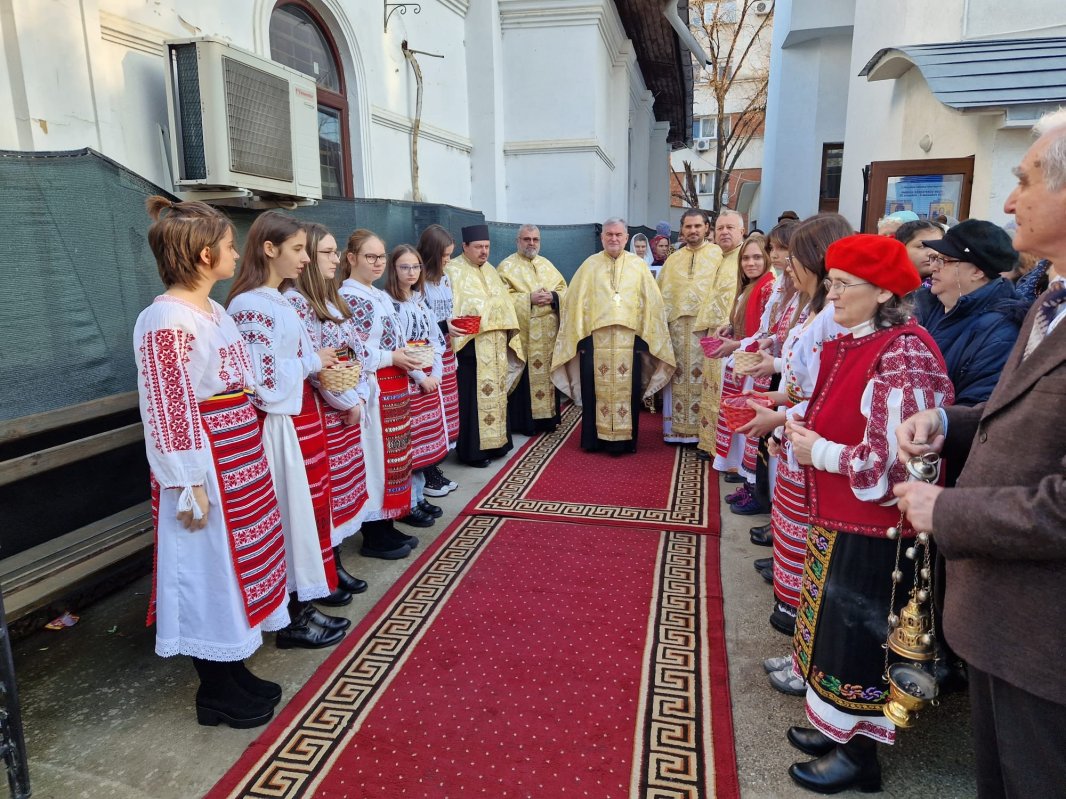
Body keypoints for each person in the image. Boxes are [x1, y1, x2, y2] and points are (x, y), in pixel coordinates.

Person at [894, 110, 1066, 798]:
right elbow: (1015, 413)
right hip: (1004, 621)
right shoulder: (1050, 300)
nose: (1009, 201)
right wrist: (946, 419)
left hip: (1046, 639)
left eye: (1025, 181)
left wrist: (946, 511)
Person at [784, 234, 954, 794]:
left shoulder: (903, 352)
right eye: (830, 282)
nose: (831, 294)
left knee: (859, 641)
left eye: (842, 284)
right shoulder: (867, 341)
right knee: (831, 632)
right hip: (842, 517)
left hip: (877, 529)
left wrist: (819, 451)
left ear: (882, 292)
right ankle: (834, 726)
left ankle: (859, 755)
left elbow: (892, 469)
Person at [134, 197, 289, 728]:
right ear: (205, 256)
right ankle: (215, 691)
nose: (235, 253)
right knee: (209, 569)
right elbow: (168, 404)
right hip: (206, 464)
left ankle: (233, 668)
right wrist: (187, 481)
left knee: (234, 567)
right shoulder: (166, 319)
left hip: (238, 455)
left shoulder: (214, 312)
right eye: (228, 245)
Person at [227, 212, 353, 651]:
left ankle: (300, 604)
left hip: (291, 418)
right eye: (298, 249)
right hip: (275, 425)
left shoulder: (277, 300)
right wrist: (314, 361)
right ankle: (290, 616)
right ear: (269, 249)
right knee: (287, 514)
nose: (306, 258)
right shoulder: (250, 306)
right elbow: (262, 382)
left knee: (300, 513)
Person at [734, 214, 852, 654]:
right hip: (795, 427)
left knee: (806, 539)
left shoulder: (832, 315)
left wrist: (780, 416)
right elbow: (803, 378)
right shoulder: (812, 305)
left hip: (809, 438)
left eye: (793, 257)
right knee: (789, 531)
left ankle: (802, 635)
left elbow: (826, 390)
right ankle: (793, 620)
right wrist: (777, 401)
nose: (785, 265)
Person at [284, 222, 371, 598]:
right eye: (327, 252)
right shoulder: (296, 302)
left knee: (340, 491)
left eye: (336, 252)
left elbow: (353, 353)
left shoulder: (331, 299)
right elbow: (317, 366)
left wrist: (360, 396)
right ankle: (324, 570)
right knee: (324, 496)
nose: (336, 259)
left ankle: (334, 563)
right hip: (324, 411)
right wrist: (349, 401)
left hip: (345, 407)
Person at [551, 217, 675, 454]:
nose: (614, 239)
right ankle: (594, 440)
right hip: (595, 343)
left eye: (619, 235)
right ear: (602, 237)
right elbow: (574, 304)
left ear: (626, 238)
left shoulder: (638, 266)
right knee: (594, 392)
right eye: (609, 234)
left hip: (630, 342)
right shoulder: (589, 265)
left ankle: (625, 442)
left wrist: (644, 340)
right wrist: (581, 340)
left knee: (628, 392)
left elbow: (652, 305)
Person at [337, 229, 423, 553]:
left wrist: (408, 360)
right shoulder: (351, 297)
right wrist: (391, 358)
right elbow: (351, 350)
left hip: (393, 385)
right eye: (369, 256)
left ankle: (388, 521)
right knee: (376, 459)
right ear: (351, 258)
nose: (377, 263)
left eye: (381, 257)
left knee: (394, 460)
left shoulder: (378, 295)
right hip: (374, 387)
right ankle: (374, 533)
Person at [917, 219, 1026, 406]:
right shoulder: (921, 304)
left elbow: (976, 406)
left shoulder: (1001, 330)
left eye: (944, 260)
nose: (933, 267)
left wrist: (936, 419)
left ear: (977, 272)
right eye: (935, 258)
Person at [445, 224, 525, 467]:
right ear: (465, 246)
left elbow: (504, 305)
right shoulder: (452, 270)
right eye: (479, 247)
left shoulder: (490, 270)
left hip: (496, 345)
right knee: (473, 399)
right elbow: (451, 308)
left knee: (497, 394)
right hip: (471, 347)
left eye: (487, 247)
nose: (484, 251)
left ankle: (498, 444)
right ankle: (474, 452)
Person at [384, 243, 450, 526]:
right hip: (408, 379)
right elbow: (396, 345)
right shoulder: (391, 303)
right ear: (394, 269)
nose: (411, 272)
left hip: (428, 376)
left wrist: (436, 372)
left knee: (423, 442)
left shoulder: (419, 300)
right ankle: (408, 503)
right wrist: (421, 377)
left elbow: (435, 339)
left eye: (415, 267)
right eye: (405, 267)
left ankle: (419, 496)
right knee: (409, 444)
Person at [656, 208, 727, 445]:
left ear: (707, 228)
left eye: (697, 226)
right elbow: (661, 295)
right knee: (677, 375)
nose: (693, 230)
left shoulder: (719, 255)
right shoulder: (673, 259)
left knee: (704, 377)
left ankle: (702, 433)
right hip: (676, 330)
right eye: (688, 226)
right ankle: (674, 431)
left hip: (705, 329)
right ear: (682, 229)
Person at [709, 234, 775, 474]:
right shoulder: (749, 286)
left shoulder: (768, 287)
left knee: (746, 416)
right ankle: (739, 469)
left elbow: (766, 330)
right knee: (737, 415)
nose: (751, 263)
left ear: (767, 258)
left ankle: (746, 473)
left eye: (757, 257)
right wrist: (730, 328)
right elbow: (745, 321)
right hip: (742, 354)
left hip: (752, 360)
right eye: (746, 258)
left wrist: (736, 345)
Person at [497, 224, 568, 435]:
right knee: (526, 378)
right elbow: (500, 300)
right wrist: (528, 298)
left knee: (547, 376)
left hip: (549, 334)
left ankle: (547, 420)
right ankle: (525, 423)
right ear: (518, 241)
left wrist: (553, 297)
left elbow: (565, 290)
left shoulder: (547, 264)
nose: (531, 243)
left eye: (535, 239)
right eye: (526, 239)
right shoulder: (506, 267)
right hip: (524, 335)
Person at [695, 209, 745, 458]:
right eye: (720, 228)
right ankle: (710, 444)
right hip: (715, 334)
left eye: (730, 228)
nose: (724, 232)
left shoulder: (746, 259)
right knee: (712, 391)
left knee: (728, 394)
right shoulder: (720, 258)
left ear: (742, 231)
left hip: (734, 338)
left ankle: (728, 455)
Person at [415, 224, 460, 497]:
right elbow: (421, 324)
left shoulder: (444, 279)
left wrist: (452, 324)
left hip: (447, 349)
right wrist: (444, 326)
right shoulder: (418, 283)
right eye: (444, 255)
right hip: (427, 353)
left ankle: (436, 466)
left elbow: (446, 312)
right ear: (432, 254)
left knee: (447, 411)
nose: (448, 260)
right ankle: (428, 471)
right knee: (431, 411)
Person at [894, 219, 943, 289]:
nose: (934, 252)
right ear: (901, 248)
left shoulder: (951, 287)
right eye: (922, 246)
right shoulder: (886, 285)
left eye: (938, 246)